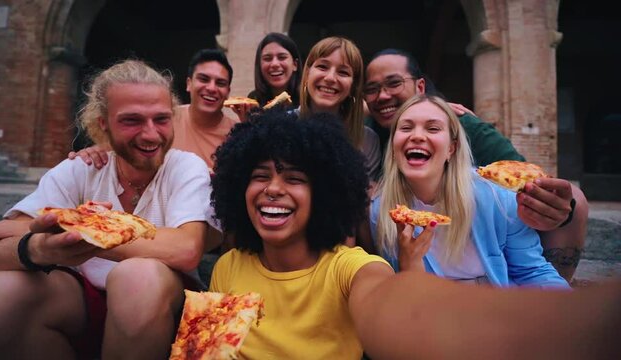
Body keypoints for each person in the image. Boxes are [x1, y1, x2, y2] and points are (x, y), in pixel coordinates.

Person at [208, 109, 621, 359]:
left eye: (294, 178)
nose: (274, 189)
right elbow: (209, 350)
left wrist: (585, 328)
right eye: (259, 176)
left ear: (325, 194)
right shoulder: (228, 268)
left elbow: (396, 309)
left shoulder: (351, 268)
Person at [0, 60, 214, 359]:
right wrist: (39, 248)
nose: (151, 134)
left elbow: (185, 248)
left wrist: (79, 228)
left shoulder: (185, 167)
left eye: (162, 119)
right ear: (103, 123)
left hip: (161, 307)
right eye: (132, 121)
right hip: (79, 302)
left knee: (136, 277)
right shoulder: (81, 169)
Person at [364, 48, 587, 281]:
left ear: (454, 146)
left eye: (394, 83)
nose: (381, 96)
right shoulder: (380, 205)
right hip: (428, 298)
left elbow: (524, 182)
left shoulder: (472, 138)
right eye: (371, 89)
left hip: (499, 266)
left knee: (575, 201)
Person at [370, 94, 568, 288]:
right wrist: (409, 266)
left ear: (451, 149)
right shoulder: (383, 211)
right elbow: (404, 299)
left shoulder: (498, 197)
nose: (417, 136)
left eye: (432, 128)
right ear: (394, 146)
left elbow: (532, 272)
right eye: (406, 128)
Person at [69, 49, 238, 171]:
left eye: (220, 83)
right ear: (188, 83)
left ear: (228, 92)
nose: (211, 88)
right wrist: (93, 153)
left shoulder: (238, 133)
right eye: (204, 79)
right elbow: (119, 145)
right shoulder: (162, 117)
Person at [298, 36, 381, 181]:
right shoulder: (280, 126)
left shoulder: (367, 140)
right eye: (322, 67)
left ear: (353, 86)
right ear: (306, 74)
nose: (330, 78)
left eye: (343, 72)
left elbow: (365, 199)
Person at [248, 32, 302, 107]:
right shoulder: (253, 100)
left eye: (282, 57)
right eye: (267, 58)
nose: (274, 64)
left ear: (295, 65)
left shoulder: (308, 101)